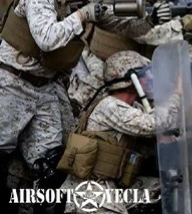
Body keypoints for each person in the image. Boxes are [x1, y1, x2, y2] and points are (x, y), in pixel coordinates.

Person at [0, 0, 170, 211]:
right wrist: (83, 15)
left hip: (45, 87)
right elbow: (47, 38)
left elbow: (119, 24)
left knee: (53, 157)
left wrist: (149, 16)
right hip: (11, 83)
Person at [60, 50, 181, 213]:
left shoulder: (133, 108)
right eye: (144, 75)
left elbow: (157, 133)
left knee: (165, 187)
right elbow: (154, 124)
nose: (150, 78)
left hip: (115, 184)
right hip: (92, 190)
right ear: (130, 81)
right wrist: (177, 94)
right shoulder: (110, 106)